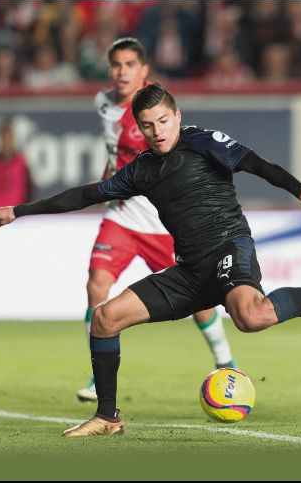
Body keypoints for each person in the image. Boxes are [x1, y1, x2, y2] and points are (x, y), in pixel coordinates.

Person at [0, 83, 301, 438]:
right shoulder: (142, 169)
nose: (157, 131)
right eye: (147, 125)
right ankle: (107, 417)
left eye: (163, 121)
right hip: (189, 271)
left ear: (177, 116)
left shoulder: (203, 141)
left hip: (228, 247)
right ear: (139, 128)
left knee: (251, 317)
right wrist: (18, 211)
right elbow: (85, 195)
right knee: (105, 318)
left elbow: (256, 164)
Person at [76, 37, 237, 403]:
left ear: (144, 70)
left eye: (130, 65)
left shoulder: (153, 112)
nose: (122, 72)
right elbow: (113, 153)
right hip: (120, 218)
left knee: (199, 300)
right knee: (96, 285)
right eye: (116, 65)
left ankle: (226, 359)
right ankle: (95, 370)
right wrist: (105, 185)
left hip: (159, 222)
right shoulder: (102, 103)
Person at [0, 118, 31, 215]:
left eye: (9, 138)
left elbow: (29, 190)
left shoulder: (21, 163)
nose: (7, 142)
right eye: (4, 138)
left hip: (15, 215)